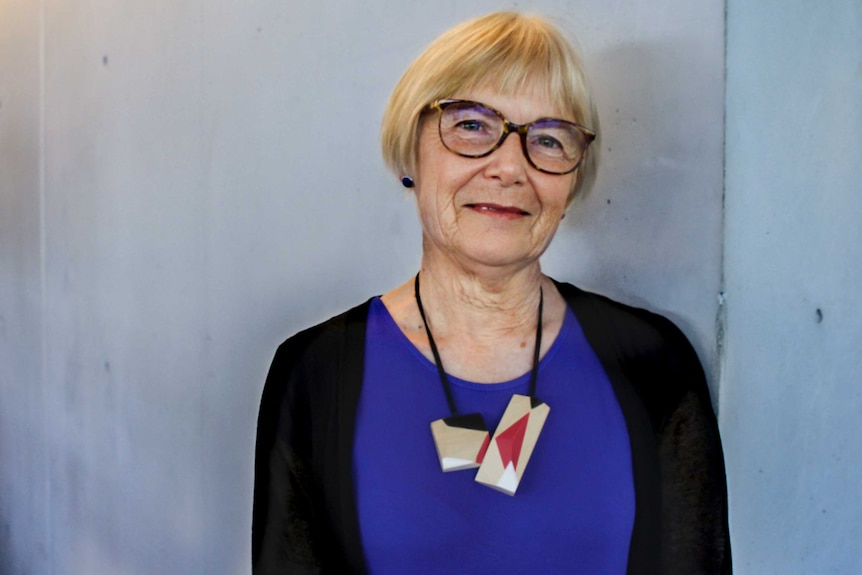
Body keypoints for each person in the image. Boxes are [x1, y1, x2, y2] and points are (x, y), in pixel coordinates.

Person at [252, 11, 731, 575]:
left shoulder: (652, 362)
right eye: (473, 125)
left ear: (573, 179)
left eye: (549, 139)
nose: (510, 168)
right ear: (412, 152)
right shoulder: (317, 373)